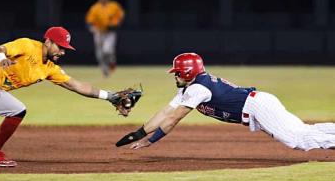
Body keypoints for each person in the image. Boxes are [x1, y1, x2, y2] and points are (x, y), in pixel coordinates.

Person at [0, 26, 126, 167]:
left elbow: (77, 86)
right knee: (17, 110)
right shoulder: (28, 45)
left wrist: (110, 96)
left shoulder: (49, 68)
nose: (62, 52)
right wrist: (1, 59)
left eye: (65, 48)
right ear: (48, 41)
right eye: (60, 47)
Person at [116, 52, 335, 151]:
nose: (175, 76)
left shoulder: (198, 89)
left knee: (298, 140)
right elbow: (166, 112)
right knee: (303, 133)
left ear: (189, 72)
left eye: (178, 73)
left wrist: (149, 140)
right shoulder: (190, 87)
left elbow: (173, 118)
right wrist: (140, 133)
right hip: (258, 105)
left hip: (258, 107)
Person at [85, 0, 125, 77]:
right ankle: (105, 71)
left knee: (107, 50)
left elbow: (120, 16)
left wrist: (116, 24)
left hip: (110, 32)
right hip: (99, 32)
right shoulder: (95, 8)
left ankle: (112, 62)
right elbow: (89, 21)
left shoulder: (114, 6)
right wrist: (92, 28)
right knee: (99, 54)